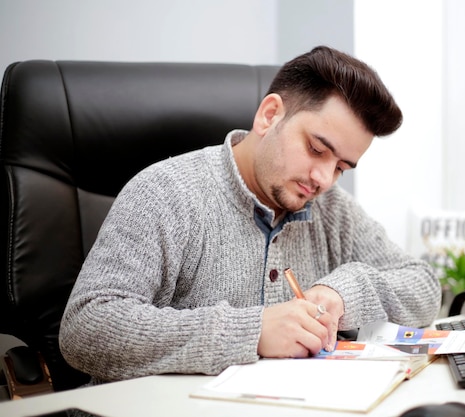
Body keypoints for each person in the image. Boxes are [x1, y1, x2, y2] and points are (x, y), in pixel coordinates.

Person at [59, 45, 441, 385]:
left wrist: (342, 294)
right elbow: (86, 328)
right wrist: (251, 331)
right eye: (316, 149)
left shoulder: (330, 209)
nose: (324, 179)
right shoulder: (166, 192)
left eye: (341, 166)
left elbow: (424, 286)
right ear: (270, 115)